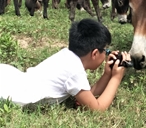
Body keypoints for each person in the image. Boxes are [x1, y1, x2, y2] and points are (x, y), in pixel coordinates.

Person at [0, 18, 130, 111]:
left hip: (11, 78)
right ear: (95, 53)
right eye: (106, 51)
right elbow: (97, 108)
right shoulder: (74, 72)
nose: (107, 55)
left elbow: (86, 96)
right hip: (9, 93)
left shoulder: (67, 56)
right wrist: (116, 78)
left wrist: (107, 74)